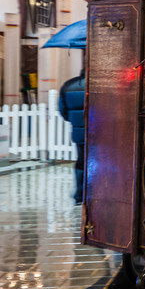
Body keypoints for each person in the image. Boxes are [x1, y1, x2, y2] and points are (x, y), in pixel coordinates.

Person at [58, 69, 86, 204]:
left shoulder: (68, 86)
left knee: (81, 161)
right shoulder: (102, 86)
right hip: (100, 132)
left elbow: (63, 111)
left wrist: (75, 121)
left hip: (79, 132)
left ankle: (79, 195)